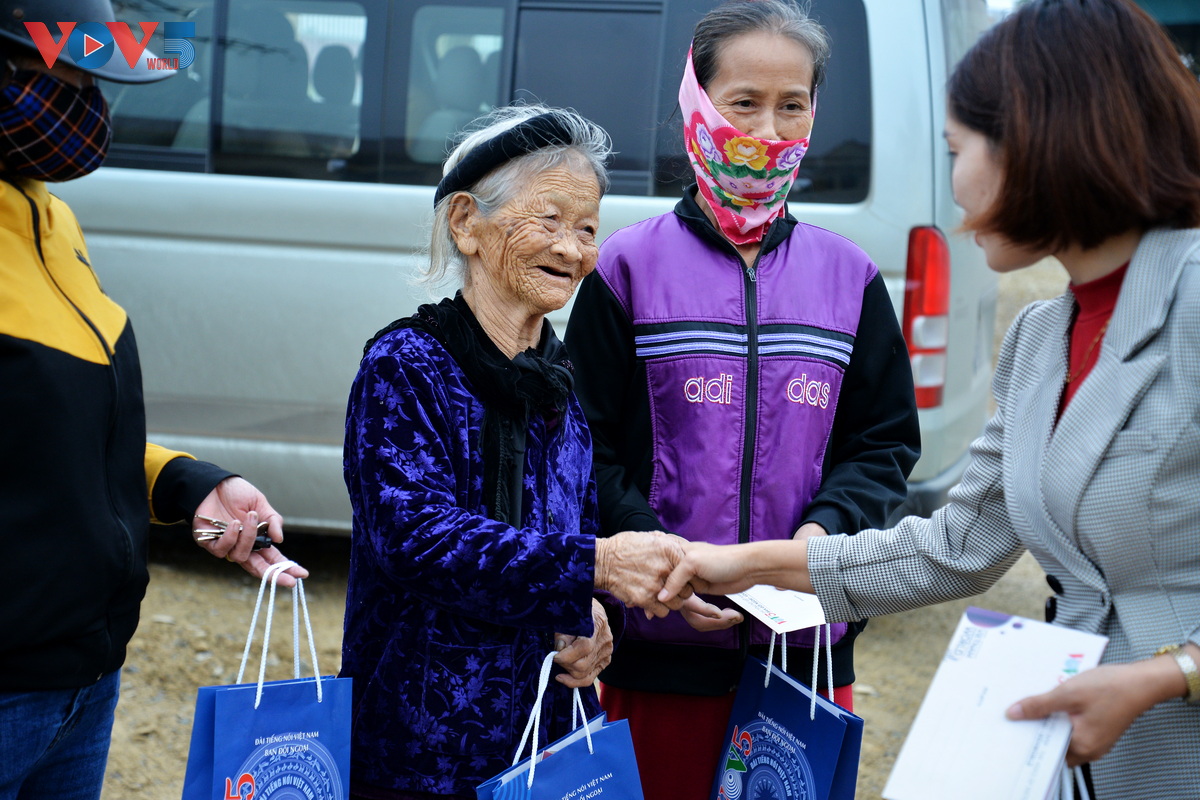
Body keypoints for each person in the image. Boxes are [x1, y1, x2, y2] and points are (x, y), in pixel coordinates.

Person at [660, 1, 1200, 796]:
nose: (953, 186)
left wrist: (1172, 673)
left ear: (1044, 141)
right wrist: (744, 564)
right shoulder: (1041, 336)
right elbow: (956, 545)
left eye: (956, 150)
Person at [563, 1, 921, 796]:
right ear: (696, 106)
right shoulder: (625, 269)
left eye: (791, 105)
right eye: (744, 103)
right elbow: (583, 446)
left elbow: (884, 443)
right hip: (657, 654)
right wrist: (661, 560)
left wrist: (820, 541)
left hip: (806, 661)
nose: (766, 130)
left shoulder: (851, 278)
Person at [339, 105, 728, 800]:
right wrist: (596, 566)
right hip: (421, 752)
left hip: (543, 748)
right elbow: (415, 538)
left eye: (587, 229)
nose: (573, 250)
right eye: (549, 220)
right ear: (467, 223)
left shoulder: (557, 384)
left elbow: (569, 540)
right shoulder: (408, 366)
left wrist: (592, 616)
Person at [0, 2, 306, 799]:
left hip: (85, 681)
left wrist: (188, 485)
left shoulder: (49, 217)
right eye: (64, 74)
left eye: (95, 80)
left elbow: (55, 434)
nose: (88, 103)